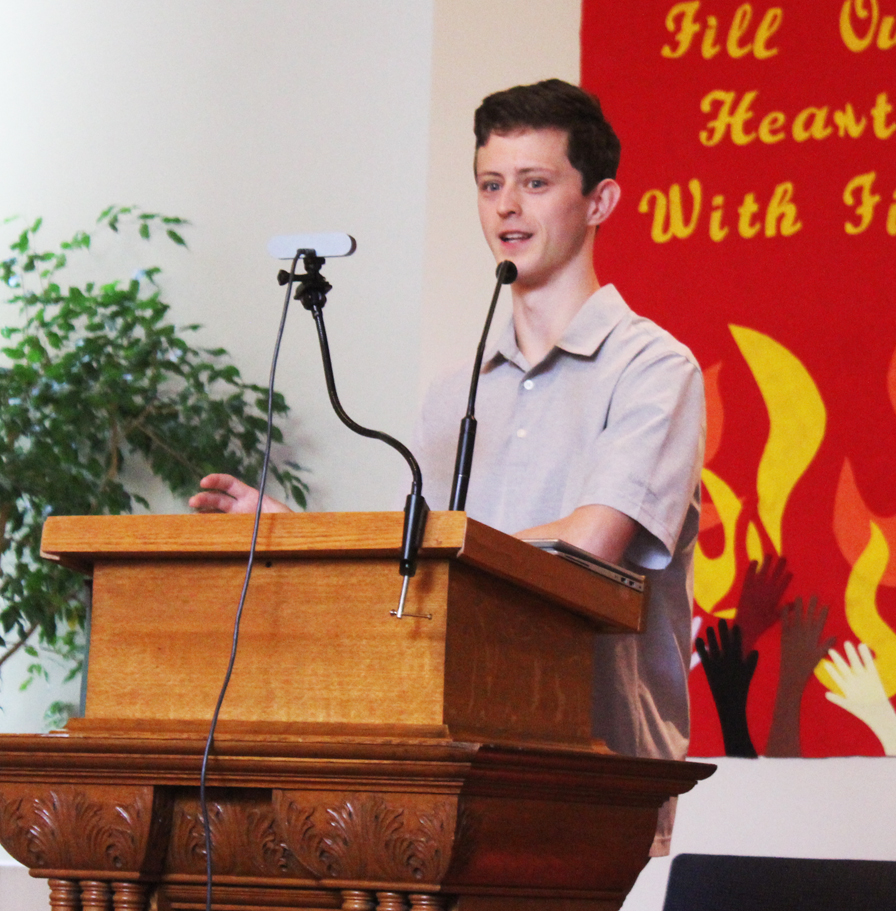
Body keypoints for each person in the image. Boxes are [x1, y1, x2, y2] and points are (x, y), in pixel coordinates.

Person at [190, 78, 705, 856]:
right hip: (451, 769)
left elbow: (588, 546)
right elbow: (415, 584)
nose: (507, 208)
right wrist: (308, 539)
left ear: (600, 201)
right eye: (491, 185)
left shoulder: (653, 369)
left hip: (592, 774)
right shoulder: (454, 389)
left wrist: (418, 551)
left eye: (535, 183)